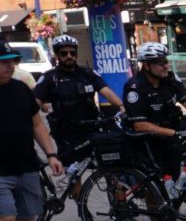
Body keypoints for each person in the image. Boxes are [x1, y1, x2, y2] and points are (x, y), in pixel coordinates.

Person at [121, 40, 186, 221]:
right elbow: (139, 124)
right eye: (159, 62)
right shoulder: (135, 87)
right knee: (155, 187)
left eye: (165, 61)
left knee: (173, 184)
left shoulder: (170, 80)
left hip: (168, 138)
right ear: (146, 65)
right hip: (146, 140)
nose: (165, 65)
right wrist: (170, 133)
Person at [0, 40, 63, 221]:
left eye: (11, 62)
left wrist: (51, 154)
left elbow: (37, 124)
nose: (9, 67)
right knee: (6, 218)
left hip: (26, 164)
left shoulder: (21, 89)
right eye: (4, 63)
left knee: (27, 217)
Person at [34, 34, 123, 189]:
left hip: (94, 130)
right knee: (75, 180)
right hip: (68, 136)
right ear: (57, 55)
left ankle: (120, 208)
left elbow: (106, 91)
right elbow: (35, 101)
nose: (69, 56)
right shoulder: (50, 78)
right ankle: (82, 207)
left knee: (112, 172)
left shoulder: (88, 74)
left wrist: (122, 107)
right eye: (64, 53)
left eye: (72, 53)